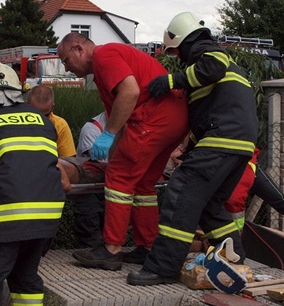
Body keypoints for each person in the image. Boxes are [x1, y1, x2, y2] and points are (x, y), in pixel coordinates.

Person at [126, 11, 258, 286]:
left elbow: (214, 66)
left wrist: (171, 81)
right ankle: (234, 259)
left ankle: (162, 267)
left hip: (223, 139)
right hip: (238, 144)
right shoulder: (216, 66)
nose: (178, 57)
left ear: (183, 40)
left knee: (182, 192)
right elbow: (210, 113)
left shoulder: (205, 49)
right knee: (210, 204)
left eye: (176, 51)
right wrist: (192, 149)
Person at [57, 32, 189, 271]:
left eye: (65, 60)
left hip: (153, 120)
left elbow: (130, 93)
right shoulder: (105, 65)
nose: (66, 68)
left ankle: (111, 250)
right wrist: (112, 151)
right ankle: (148, 247)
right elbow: (122, 117)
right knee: (143, 185)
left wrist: (108, 140)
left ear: (78, 49)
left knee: (118, 178)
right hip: (171, 121)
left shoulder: (104, 56)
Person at [0, 61, 66, 305]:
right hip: (46, 218)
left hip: (2, 219)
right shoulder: (43, 121)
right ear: (19, 90)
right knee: (25, 280)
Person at [69, 111, 107, 249]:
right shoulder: (92, 127)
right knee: (89, 216)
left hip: (114, 185)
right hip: (90, 186)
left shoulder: (131, 125)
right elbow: (98, 161)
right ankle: (90, 248)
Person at [26, 85, 76, 157]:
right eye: (35, 114)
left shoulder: (60, 125)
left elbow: (68, 159)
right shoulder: (14, 122)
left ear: (52, 107)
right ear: (26, 105)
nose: (40, 119)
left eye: (45, 115)